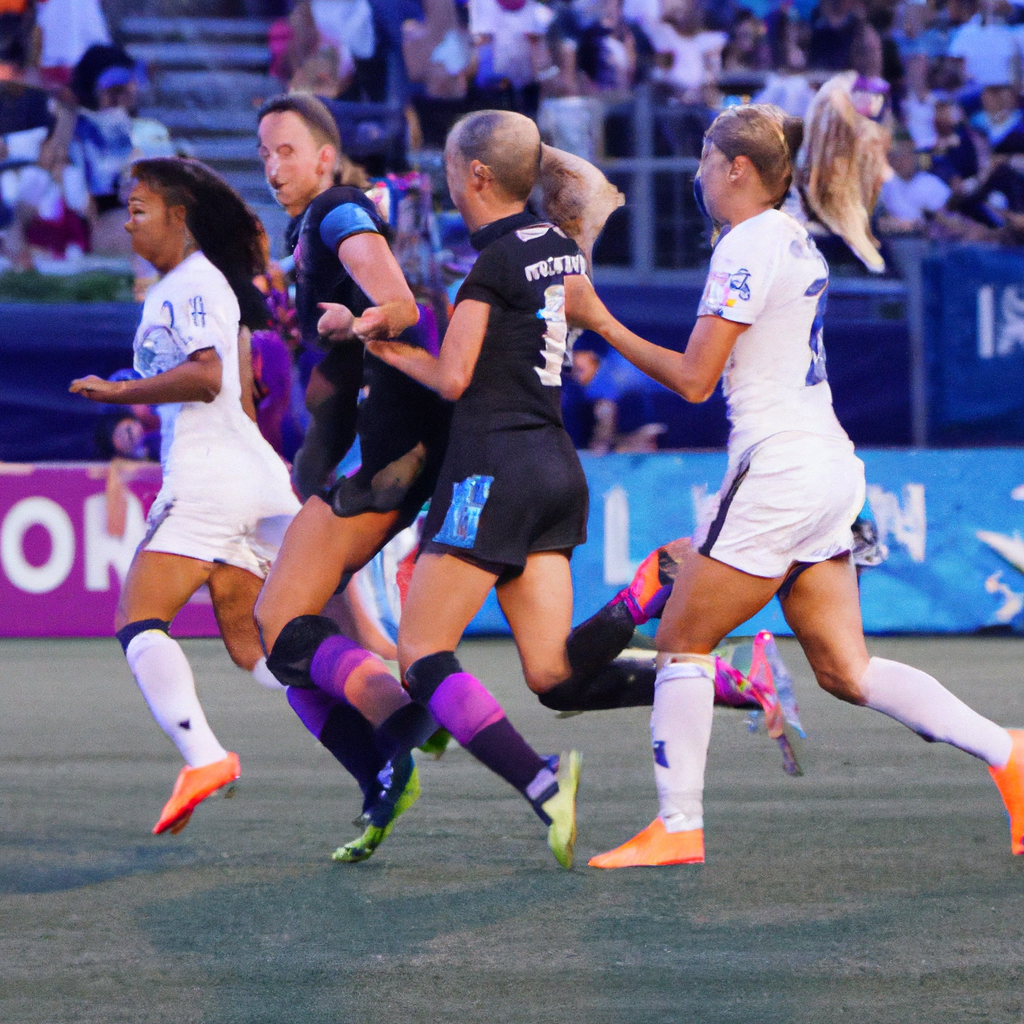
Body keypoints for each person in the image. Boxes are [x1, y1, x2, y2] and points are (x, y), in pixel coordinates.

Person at [563, 103, 1024, 868]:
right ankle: (1007, 752)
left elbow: (694, 378)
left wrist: (600, 320)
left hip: (779, 467)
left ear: (737, 169)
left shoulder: (747, 244)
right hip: (829, 465)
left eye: (707, 160)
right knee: (847, 669)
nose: (697, 173)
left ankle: (678, 825)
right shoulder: (791, 236)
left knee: (682, 638)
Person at [363, 109, 588, 868]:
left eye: (451, 167)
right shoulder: (560, 246)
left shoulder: (490, 263)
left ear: (478, 176)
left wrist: (384, 347)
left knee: (422, 654)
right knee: (552, 670)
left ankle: (542, 782)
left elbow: (454, 378)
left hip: (492, 472)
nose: (445, 180)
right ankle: (713, 669)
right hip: (557, 468)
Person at [68, 157, 301, 836]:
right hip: (249, 473)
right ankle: (390, 702)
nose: (129, 221)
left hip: (207, 478)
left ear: (180, 217)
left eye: (139, 208)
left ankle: (203, 757)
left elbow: (203, 379)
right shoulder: (201, 284)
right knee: (255, 647)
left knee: (138, 622)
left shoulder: (189, 283)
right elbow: (223, 387)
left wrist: (119, 394)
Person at [253, 92, 451, 862]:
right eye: (263, 153)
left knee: (283, 633)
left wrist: (354, 320)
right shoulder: (311, 229)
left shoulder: (338, 211)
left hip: (374, 458)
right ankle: (390, 764)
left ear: (327, 159)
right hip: (358, 459)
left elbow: (397, 303)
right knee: (322, 631)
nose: (272, 166)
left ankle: (409, 729)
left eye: (287, 151)